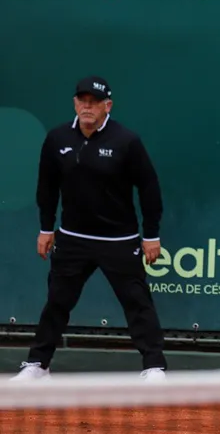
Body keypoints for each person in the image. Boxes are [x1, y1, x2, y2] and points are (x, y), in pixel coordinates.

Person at [9, 76, 168, 383]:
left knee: (137, 304)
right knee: (57, 301)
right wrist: (45, 228)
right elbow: (47, 187)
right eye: (82, 101)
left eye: (94, 102)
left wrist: (151, 235)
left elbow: (149, 188)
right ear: (75, 104)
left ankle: (154, 367)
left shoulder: (127, 141)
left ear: (108, 106)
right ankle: (38, 365)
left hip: (119, 241)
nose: (87, 107)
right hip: (73, 239)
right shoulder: (57, 139)